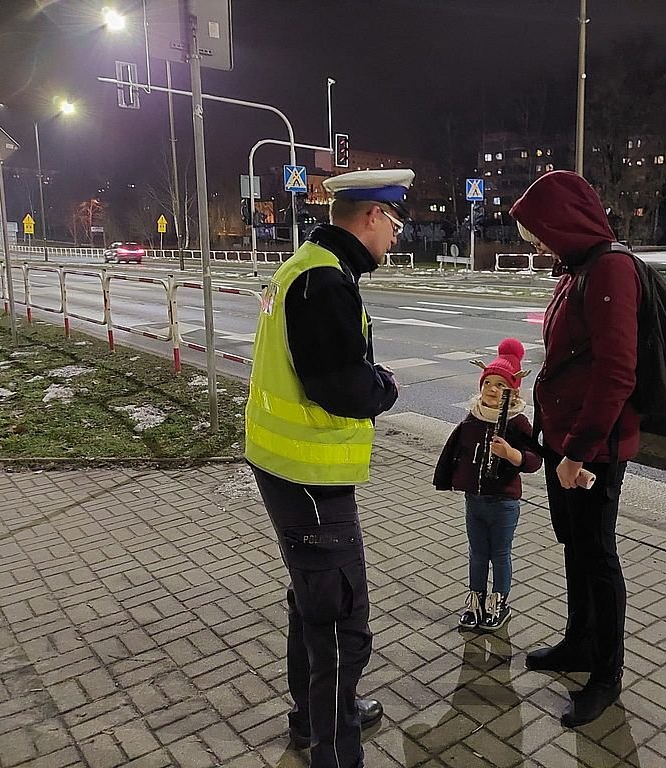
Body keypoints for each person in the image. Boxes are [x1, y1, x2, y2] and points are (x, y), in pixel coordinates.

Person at [245, 168, 412, 768]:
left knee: (312, 603)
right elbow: (339, 385)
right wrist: (384, 387)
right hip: (310, 478)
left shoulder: (312, 265)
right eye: (395, 222)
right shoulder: (324, 280)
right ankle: (335, 752)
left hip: (289, 467)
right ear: (370, 216)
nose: (397, 234)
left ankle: (311, 719)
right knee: (341, 623)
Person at [509, 170, 642, 728]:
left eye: (540, 231)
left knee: (597, 553)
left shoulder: (611, 268)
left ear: (563, 221)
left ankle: (606, 673)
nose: (537, 244)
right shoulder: (578, 269)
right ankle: (577, 643)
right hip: (565, 440)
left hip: (594, 448)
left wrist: (580, 453)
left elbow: (616, 372)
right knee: (574, 544)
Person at [433, 339, 542, 631]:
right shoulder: (473, 419)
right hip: (475, 500)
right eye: (488, 383)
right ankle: (475, 599)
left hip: (504, 503)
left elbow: (534, 460)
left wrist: (511, 454)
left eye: (501, 386)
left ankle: (499, 601)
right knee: (477, 553)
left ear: (514, 391)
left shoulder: (517, 422)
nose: (492, 390)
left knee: (500, 554)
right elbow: (453, 451)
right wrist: (449, 478)